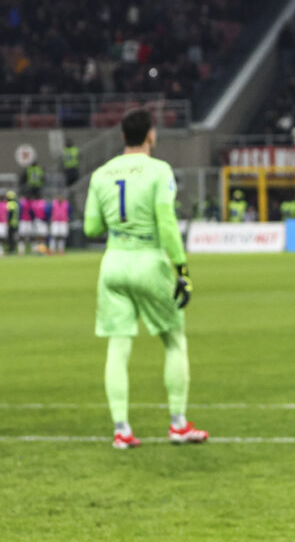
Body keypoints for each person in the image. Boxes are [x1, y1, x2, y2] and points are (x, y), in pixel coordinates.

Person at [84, 109, 208, 449]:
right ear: (150, 135)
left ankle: (121, 429)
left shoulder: (101, 174)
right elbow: (166, 222)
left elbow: (91, 228)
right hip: (148, 260)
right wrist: (181, 268)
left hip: (113, 264)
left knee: (118, 345)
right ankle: (178, 424)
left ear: (123, 136)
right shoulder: (158, 171)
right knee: (173, 340)